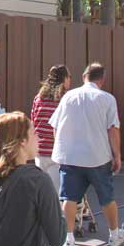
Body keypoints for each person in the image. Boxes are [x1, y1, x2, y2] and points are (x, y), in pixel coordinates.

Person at [49, 62, 124, 246]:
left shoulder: (69, 96)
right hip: (98, 156)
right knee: (107, 198)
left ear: (84, 76)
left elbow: (55, 125)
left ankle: (68, 239)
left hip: (70, 157)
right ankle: (114, 235)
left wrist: (61, 148)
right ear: (102, 79)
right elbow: (113, 129)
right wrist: (117, 155)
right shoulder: (107, 99)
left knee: (68, 198)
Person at [0, 111, 65, 246]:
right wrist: (61, 212)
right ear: (22, 141)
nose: (38, 137)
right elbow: (57, 239)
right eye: (33, 133)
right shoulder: (37, 181)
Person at [31, 64, 71, 195]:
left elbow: (33, 121)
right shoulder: (65, 99)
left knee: (42, 193)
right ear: (64, 79)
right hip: (57, 152)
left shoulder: (38, 98)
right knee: (59, 194)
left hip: (39, 150)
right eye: (69, 77)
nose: (70, 80)